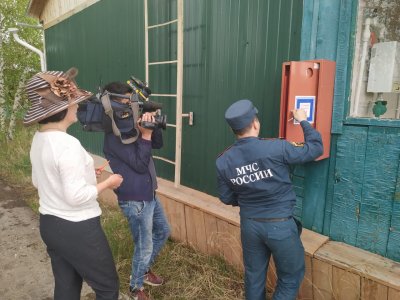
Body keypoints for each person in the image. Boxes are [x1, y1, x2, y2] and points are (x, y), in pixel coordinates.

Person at [24, 69, 124, 300]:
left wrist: (86, 172)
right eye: (74, 101)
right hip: (78, 228)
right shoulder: (68, 144)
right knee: (108, 288)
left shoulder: (39, 139)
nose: (77, 106)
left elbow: (39, 181)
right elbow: (76, 197)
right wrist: (109, 182)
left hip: (50, 224)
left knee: (66, 287)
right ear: (60, 108)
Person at [215, 99, 323, 300]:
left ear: (234, 130)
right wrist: (303, 121)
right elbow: (315, 148)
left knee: (254, 278)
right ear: (255, 123)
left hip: (250, 226)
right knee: (290, 279)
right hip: (280, 226)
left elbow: (226, 197)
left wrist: (248, 198)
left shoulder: (223, 160)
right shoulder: (277, 148)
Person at [102, 81, 170, 300]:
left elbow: (156, 145)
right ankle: (135, 287)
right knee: (144, 243)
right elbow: (140, 164)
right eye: (126, 101)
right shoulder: (114, 135)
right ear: (114, 103)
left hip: (149, 192)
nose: (131, 105)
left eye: (131, 100)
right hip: (134, 198)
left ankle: (143, 270)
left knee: (162, 231)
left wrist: (152, 123)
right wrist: (146, 136)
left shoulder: (132, 124)